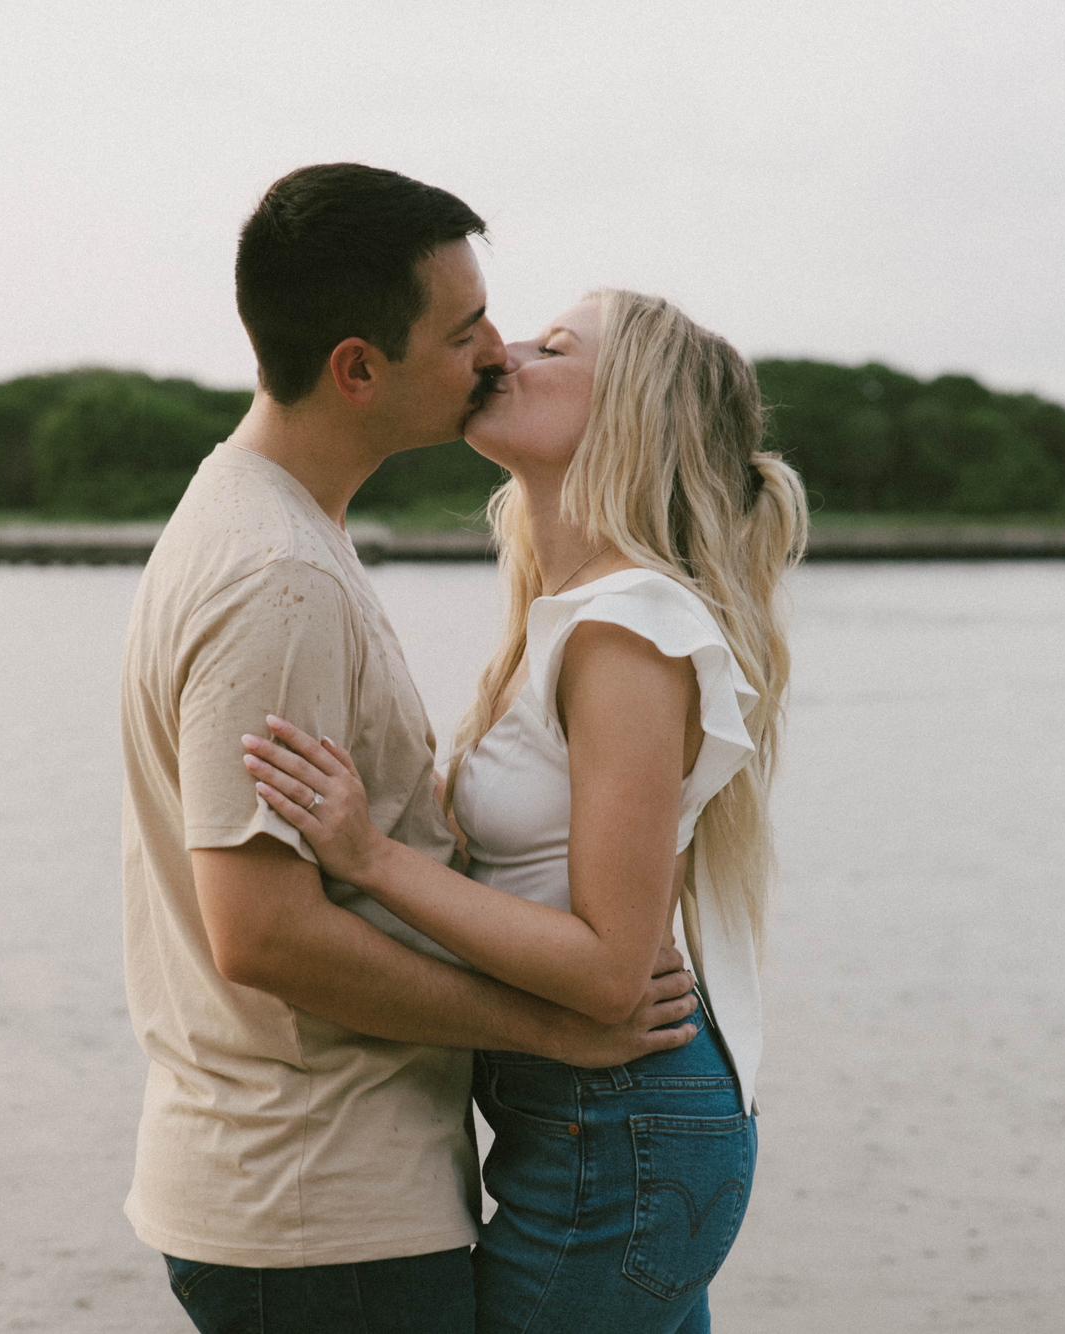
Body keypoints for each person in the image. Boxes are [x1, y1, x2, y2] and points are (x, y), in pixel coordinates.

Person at [120, 165, 700, 1334]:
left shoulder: (278, 528)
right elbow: (262, 930)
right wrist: (550, 1027)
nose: (494, 351)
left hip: (326, 1193)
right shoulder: (275, 575)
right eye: (462, 329)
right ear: (356, 368)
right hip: (318, 1205)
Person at [244, 287, 809, 1332]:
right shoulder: (569, 619)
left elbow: (607, 969)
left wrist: (369, 857)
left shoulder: (628, 629)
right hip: (600, 1121)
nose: (505, 351)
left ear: (630, 412)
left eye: (555, 348)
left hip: (620, 1124)